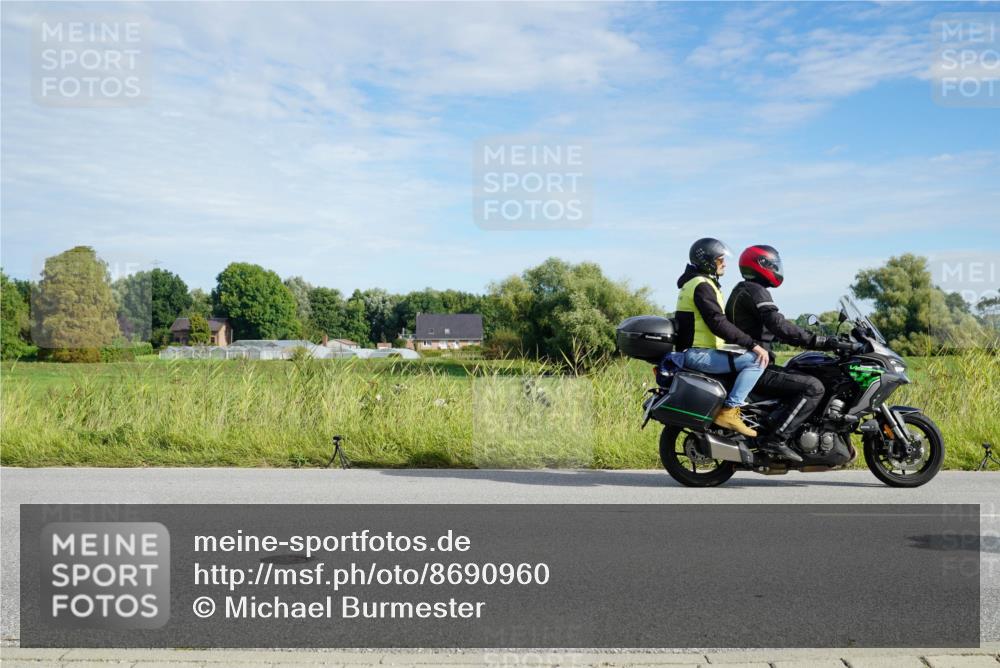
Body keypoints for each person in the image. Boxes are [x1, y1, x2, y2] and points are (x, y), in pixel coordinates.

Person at [725, 244, 845, 462]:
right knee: (813, 387)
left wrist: (803, 338)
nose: (777, 268)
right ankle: (777, 438)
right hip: (754, 366)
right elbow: (777, 324)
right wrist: (818, 340)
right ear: (762, 264)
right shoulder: (755, 290)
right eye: (773, 263)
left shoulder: (743, 289)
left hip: (746, 362)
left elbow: (769, 331)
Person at [675, 238, 770, 437]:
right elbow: (717, 322)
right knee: (757, 359)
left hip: (697, 350)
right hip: (697, 353)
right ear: (708, 262)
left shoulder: (693, 283)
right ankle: (730, 410)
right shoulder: (702, 285)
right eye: (720, 260)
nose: (724, 264)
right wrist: (753, 345)